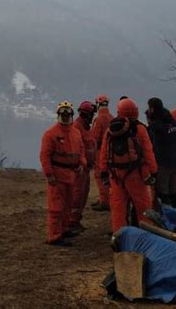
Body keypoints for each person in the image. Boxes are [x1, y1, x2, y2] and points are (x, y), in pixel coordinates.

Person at [99, 102, 158, 234]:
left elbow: (104, 152)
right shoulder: (139, 129)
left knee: (118, 208)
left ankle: (120, 236)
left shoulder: (111, 130)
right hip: (136, 173)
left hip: (115, 175)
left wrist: (104, 171)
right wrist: (153, 172)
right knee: (143, 206)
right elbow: (148, 152)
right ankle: (146, 235)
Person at [40, 101, 86, 246]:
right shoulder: (51, 134)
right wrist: (49, 175)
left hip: (71, 175)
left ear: (72, 115)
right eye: (63, 114)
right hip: (58, 176)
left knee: (68, 205)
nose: (65, 117)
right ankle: (54, 235)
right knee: (56, 207)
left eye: (68, 114)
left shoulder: (76, 133)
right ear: (59, 115)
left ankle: (64, 229)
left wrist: (81, 164)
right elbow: (44, 156)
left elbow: (81, 152)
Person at [146, 97, 176, 208]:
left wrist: (149, 122)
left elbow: (151, 140)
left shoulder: (157, 125)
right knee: (174, 188)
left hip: (163, 160)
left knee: (163, 189)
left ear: (152, 108)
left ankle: (166, 213)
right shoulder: (173, 122)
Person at [70, 101, 96, 232]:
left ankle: (77, 220)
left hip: (86, 168)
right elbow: (76, 149)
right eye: (92, 114)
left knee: (83, 195)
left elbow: (90, 145)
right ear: (87, 114)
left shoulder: (86, 127)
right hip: (79, 169)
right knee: (77, 195)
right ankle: (71, 222)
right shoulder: (76, 127)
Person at [91, 94, 113, 211]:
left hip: (100, 152)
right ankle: (105, 199)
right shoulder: (112, 118)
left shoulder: (98, 119)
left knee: (100, 176)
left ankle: (104, 201)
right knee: (110, 177)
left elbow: (94, 138)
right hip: (112, 152)